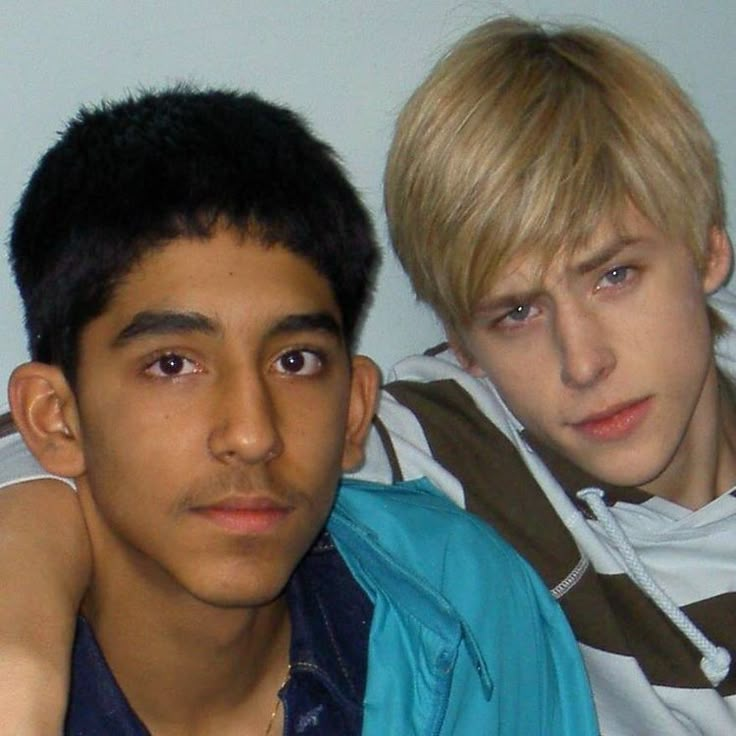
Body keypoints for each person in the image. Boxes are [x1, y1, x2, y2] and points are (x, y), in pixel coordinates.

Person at [0, 85, 597, 735]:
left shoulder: (466, 604)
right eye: (172, 364)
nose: (253, 435)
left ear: (353, 410)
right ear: (56, 418)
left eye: (296, 362)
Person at [359, 16, 736, 735]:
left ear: (709, 249)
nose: (583, 361)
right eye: (517, 313)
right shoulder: (451, 441)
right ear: (462, 344)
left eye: (615, 275)